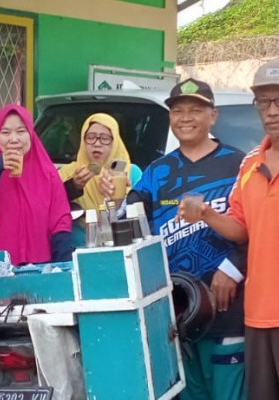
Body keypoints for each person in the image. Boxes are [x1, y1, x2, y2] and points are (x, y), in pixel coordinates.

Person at [102, 79, 246, 400]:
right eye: (178, 110)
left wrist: (233, 268)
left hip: (229, 309)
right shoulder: (157, 171)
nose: (185, 118)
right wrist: (114, 201)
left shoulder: (238, 165)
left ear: (213, 116)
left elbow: (258, 229)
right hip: (178, 312)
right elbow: (127, 228)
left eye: (196, 110)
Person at [177, 58, 279, 400]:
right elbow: (241, 229)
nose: (271, 110)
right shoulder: (250, 164)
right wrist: (206, 213)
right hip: (259, 314)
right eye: (263, 102)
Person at [0, 104, 72, 265]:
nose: (14, 139)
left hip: (41, 267)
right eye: (5, 132)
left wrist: (62, 268)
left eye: (21, 131)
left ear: (31, 135)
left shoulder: (47, 172)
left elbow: (60, 220)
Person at [59, 113, 141, 209]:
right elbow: (49, 201)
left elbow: (144, 209)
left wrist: (120, 193)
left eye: (105, 138)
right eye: (90, 137)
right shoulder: (67, 172)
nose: (97, 143)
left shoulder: (132, 172)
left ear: (115, 143)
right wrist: (74, 186)